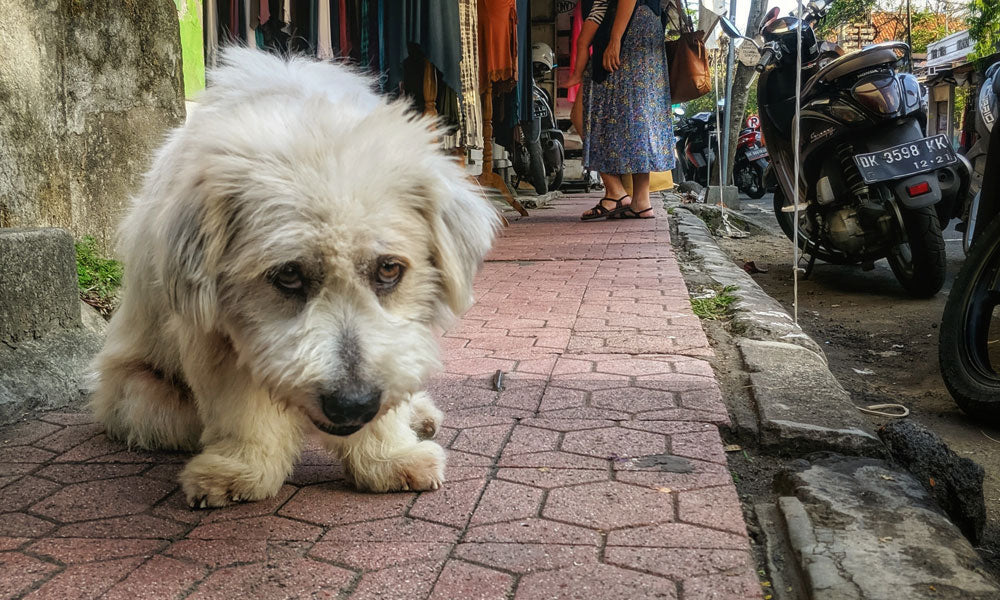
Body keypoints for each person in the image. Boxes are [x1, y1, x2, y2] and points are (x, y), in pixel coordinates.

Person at [569, 0, 675, 220]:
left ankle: (617, 193)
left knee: (617, 113)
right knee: (637, 113)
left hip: (628, 26)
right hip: (641, 24)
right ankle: (639, 200)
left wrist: (615, 38)